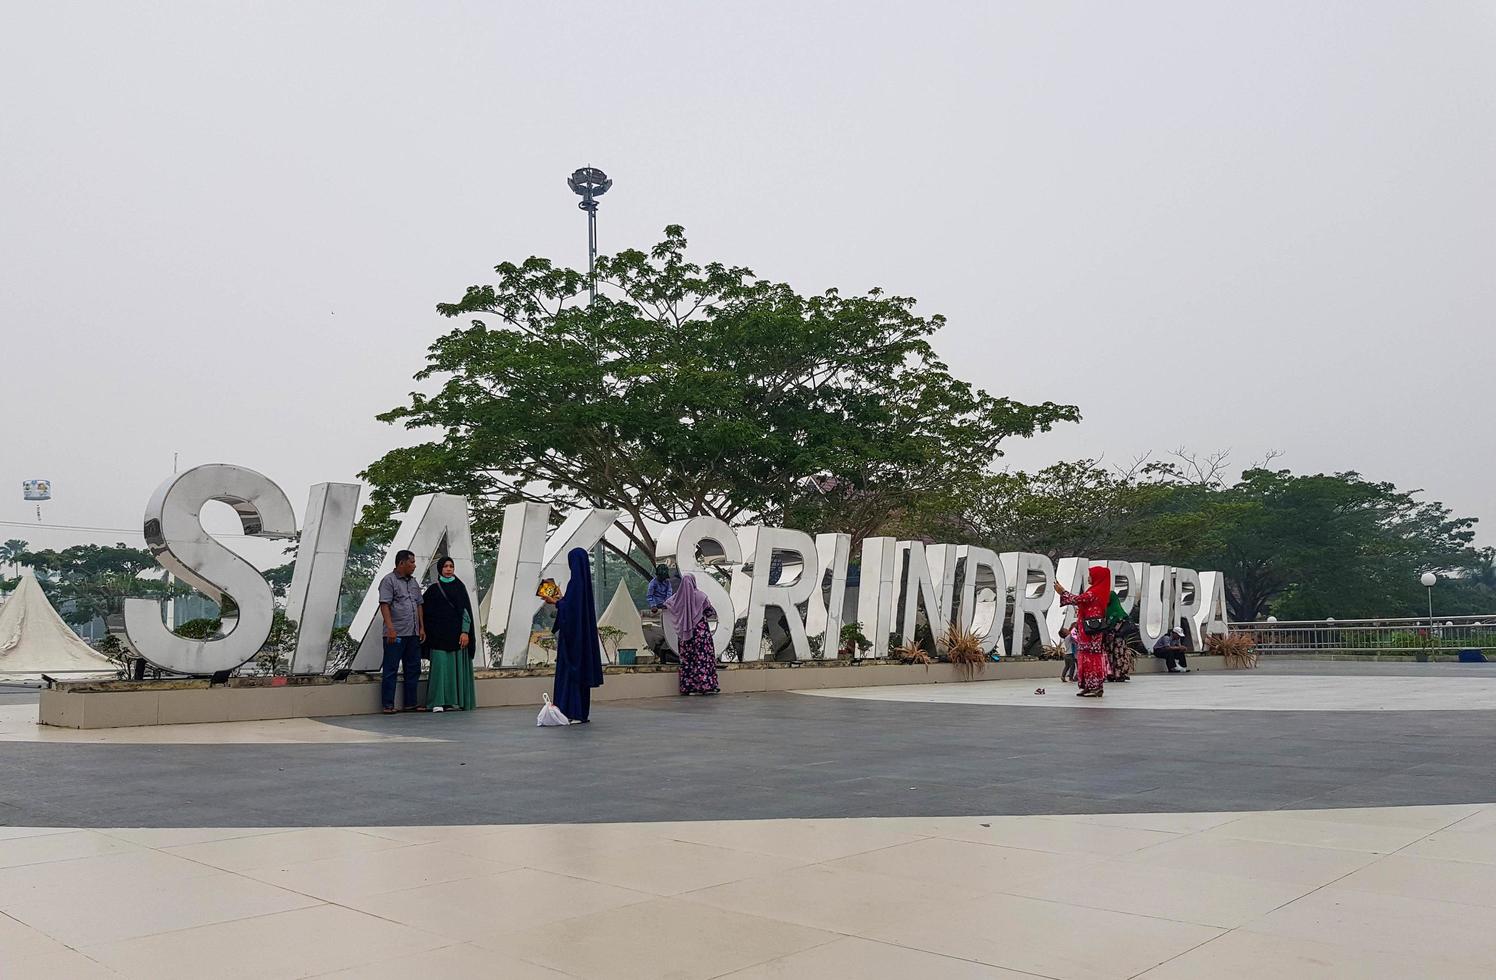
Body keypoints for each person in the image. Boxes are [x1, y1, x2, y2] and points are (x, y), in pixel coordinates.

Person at [541, 548, 605, 723]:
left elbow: (570, 611)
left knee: (571, 674)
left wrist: (555, 601)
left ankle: (572, 712)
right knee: (581, 674)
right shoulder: (584, 585)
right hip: (582, 639)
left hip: (572, 641)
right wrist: (562, 600)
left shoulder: (575, 583)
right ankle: (581, 712)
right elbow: (574, 607)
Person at [423, 556, 477, 712]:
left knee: (455, 669)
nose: (448, 569)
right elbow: (425, 612)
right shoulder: (433, 589)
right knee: (440, 669)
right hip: (438, 638)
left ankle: (455, 701)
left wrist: (465, 632)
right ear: (440, 568)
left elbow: (465, 612)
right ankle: (437, 702)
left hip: (457, 637)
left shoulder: (459, 587)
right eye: (445, 566)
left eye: (451, 566)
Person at [378, 549, 426, 714]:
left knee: (413, 668)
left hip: (412, 633)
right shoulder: (388, 581)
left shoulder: (413, 583)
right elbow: (384, 604)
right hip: (395, 633)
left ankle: (410, 703)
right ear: (401, 563)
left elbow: (419, 604)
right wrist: (390, 628)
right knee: (391, 668)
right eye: (411, 562)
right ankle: (388, 704)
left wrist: (421, 627)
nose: (414, 565)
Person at [1054, 565, 1112, 698]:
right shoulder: (1096, 590)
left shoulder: (1095, 591)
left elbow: (1078, 599)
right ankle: (1088, 686)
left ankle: (1095, 687)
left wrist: (1063, 592)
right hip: (1087, 630)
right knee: (1085, 656)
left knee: (1091, 657)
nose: (1088, 577)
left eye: (1091, 574)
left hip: (1091, 631)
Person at [665, 572, 720, 695]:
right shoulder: (701, 596)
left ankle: (688, 686)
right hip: (701, 633)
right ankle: (706, 685)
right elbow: (710, 611)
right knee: (703, 658)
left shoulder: (676, 598)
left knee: (687, 660)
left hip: (685, 635)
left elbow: (667, 605)